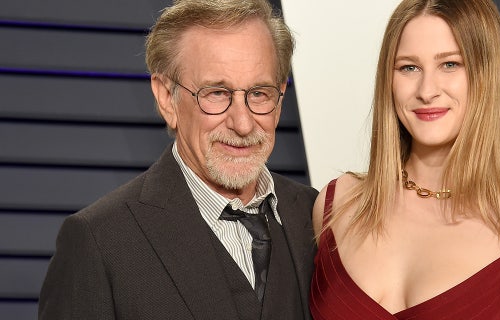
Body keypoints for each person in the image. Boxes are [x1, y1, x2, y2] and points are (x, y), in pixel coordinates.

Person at [38, 0, 317, 319]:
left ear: (280, 96)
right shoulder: (99, 241)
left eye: (258, 93)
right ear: (166, 98)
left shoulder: (321, 218)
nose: (242, 123)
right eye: (216, 93)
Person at [310, 0, 500, 319]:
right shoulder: (337, 204)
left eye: (450, 64)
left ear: (488, 75)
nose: (427, 90)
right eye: (408, 67)